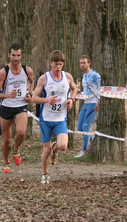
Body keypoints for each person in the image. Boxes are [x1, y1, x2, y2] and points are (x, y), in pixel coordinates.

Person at [32, 50, 77, 184]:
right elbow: (34, 98)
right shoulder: (44, 78)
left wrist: (71, 99)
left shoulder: (67, 77)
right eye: (56, 64)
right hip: (46, 119)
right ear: (50, 63)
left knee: (63, 146)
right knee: (45, 150)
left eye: (61, 64)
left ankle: (55, 149)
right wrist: (46, 100)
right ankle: (45, 174)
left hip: (60, 119)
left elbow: (74, 89)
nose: (58, 67)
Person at [0, 43, 34, 174]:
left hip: (21, 106)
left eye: (18, 55)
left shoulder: (27, 70)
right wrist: (7, 95)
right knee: (6, 140)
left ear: (21, 55)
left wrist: (30, 94)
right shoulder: (3, 72)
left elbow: (32, 82)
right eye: (13, 55)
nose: (15, 58)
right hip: (6, 107)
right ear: (8, 55)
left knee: (21, 133)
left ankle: (16, 150)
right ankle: (6, 162)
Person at [74, 55, 100, 158]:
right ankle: (92, 138)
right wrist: (78, 96)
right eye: (81, 63)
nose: (82, 65)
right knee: (80, 127)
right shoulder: (84, 76)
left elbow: (100, 88)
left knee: (85, 126)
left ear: (89, 63)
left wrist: (99, 102)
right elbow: (85, 90)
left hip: (94, 103)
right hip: (86, 102)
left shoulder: (95, 75)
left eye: (84, 62)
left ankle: (84, 150)